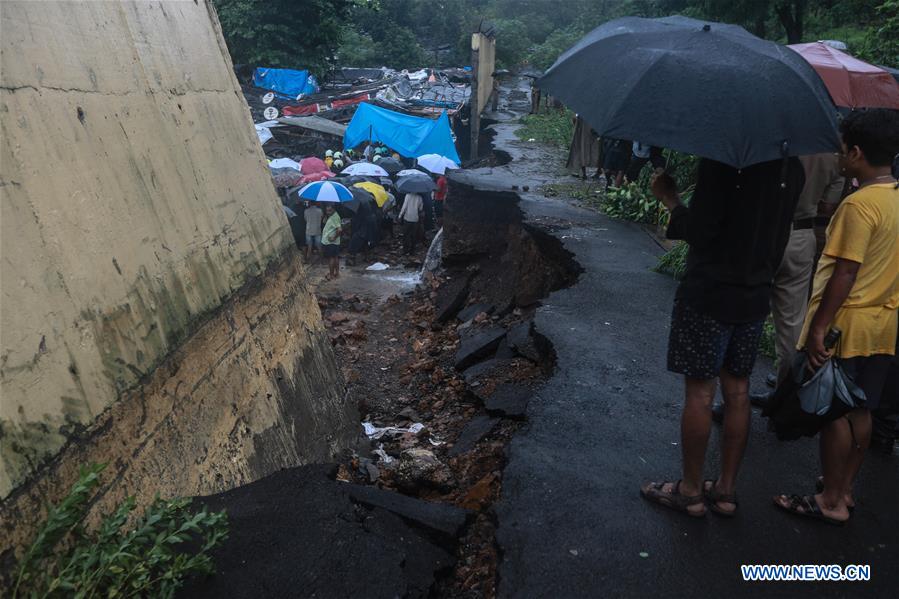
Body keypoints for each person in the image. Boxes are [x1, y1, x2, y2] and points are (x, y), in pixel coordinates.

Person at [640, 156, 805, 518]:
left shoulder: (725, 164)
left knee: (701, 393)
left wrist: (670, 199)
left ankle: (690, 491)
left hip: (710, 294)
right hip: (754, 295)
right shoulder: (791, 167)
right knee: (738, 391)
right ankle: (726, 491)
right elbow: (779, 238)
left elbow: (701, 232)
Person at [774, 109, 899, 525]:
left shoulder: (859, 205)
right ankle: (844, 488)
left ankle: (829, 500)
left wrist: (819, 328)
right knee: (861, 409)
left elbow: (845, 272)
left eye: (843, 150)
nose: (839, 157)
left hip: (848, 326)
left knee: (835, 412)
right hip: (883, 326)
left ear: (857, 153)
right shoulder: (895, 196)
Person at [752, 153, 844, 406]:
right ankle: (783, 399)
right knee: (792, 325)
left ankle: (734, 393)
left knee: (745, 313)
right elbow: (828, 206)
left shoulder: (775, 140)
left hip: (762, 231)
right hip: (801, 236)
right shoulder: (831, 152)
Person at [321, 204, 342, 280]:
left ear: (333, 209)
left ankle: (331, 275)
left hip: (331, 242)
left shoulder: (335, 217)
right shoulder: (332, 216)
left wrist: (334, 237)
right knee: (335, 257)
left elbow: (339, 230)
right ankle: (337, 273)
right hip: (333, 242)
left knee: (331, 258)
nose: (328, 212)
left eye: (329, 210)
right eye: (327, 211)